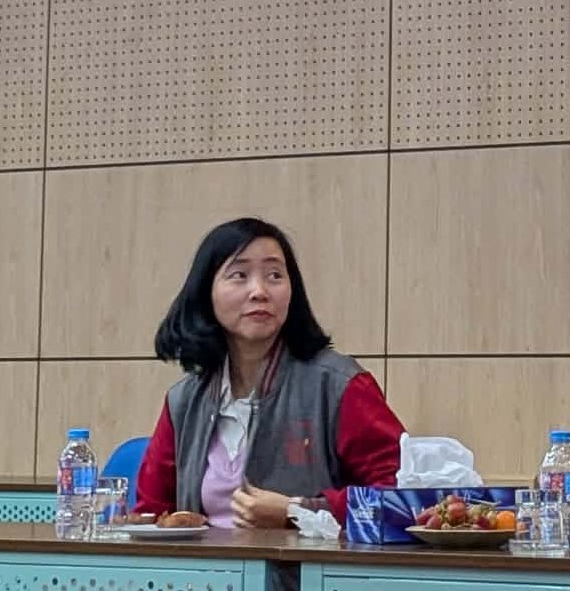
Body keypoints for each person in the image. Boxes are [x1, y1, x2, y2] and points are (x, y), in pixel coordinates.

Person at [136, 217, 405, 527]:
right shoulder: (184, 401)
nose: (259, 291)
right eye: (239, 275)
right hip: (204, 561)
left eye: (275, 275)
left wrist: (299, 510)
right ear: (206, 291)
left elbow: (402, 499)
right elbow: (148, 517)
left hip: (306, 560)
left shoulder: (338, 385)